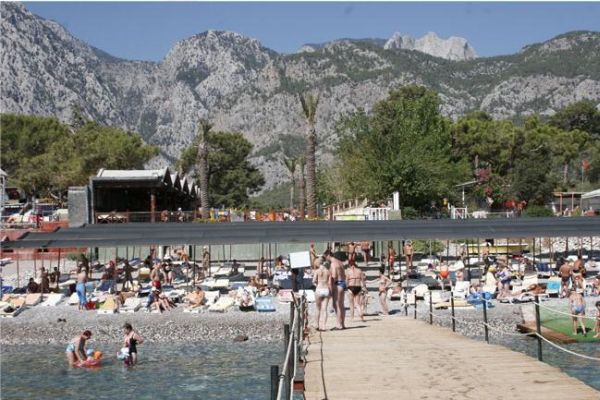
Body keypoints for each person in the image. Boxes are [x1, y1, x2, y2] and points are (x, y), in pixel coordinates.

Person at [326, 250, 346, 330]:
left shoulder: (333, 264)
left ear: (328, 255)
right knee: (341, 305)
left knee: (336, 305)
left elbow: (334, 276)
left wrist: (331, 288)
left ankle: (339, 325)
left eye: (325, 257)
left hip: (337, 284)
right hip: (342, 283)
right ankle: (342, 324)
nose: (326, 259)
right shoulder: (340, 262)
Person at [313, 256, 331, 331]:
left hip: (319, 288)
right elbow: (330, 283)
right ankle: (323, 326)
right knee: (325, 309)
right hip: (326, 289)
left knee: (318, 308)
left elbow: (314, 281)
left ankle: (317, 325)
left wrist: (316, 285)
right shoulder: (328, 271)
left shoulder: (317, 271)